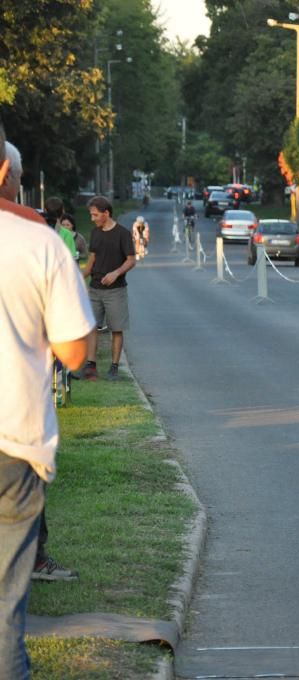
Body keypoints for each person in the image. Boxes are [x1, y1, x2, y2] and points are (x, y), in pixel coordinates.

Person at [0, 125, 95, 678]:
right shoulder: (37, 240)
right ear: (5, 173)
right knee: (5, 611)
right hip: (12, 438)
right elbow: (76, 351)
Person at [81, 195, 136, 381]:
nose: (92, 218)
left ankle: (114, 368)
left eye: (95, 215)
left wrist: (115, 273)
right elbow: (91, 261)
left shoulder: (123, 233)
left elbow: (131, 260)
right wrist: (78, 277)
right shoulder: (95, 233)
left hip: (116, 290)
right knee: (91, 327)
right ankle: (91, 366)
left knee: (116, 328)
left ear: (106, 213)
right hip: (95, 289)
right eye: (91, 215)